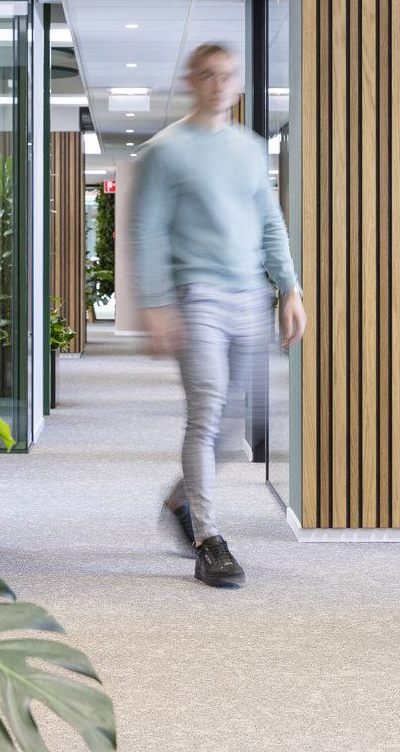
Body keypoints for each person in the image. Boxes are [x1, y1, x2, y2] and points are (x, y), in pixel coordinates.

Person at [131, 43, 306, 587]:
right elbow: (146, 231)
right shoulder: (166, 151)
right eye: (208, 75)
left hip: (250, 296)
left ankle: (181, 499)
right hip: (196, 296)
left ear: (236, 83)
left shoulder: (250, 149)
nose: (219, 84)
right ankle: (209, 539)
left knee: (233, 428)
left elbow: (270, 222)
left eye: (227, 76)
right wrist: (155, 304)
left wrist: (290, 288)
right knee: (206, 412)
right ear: (192, 80)